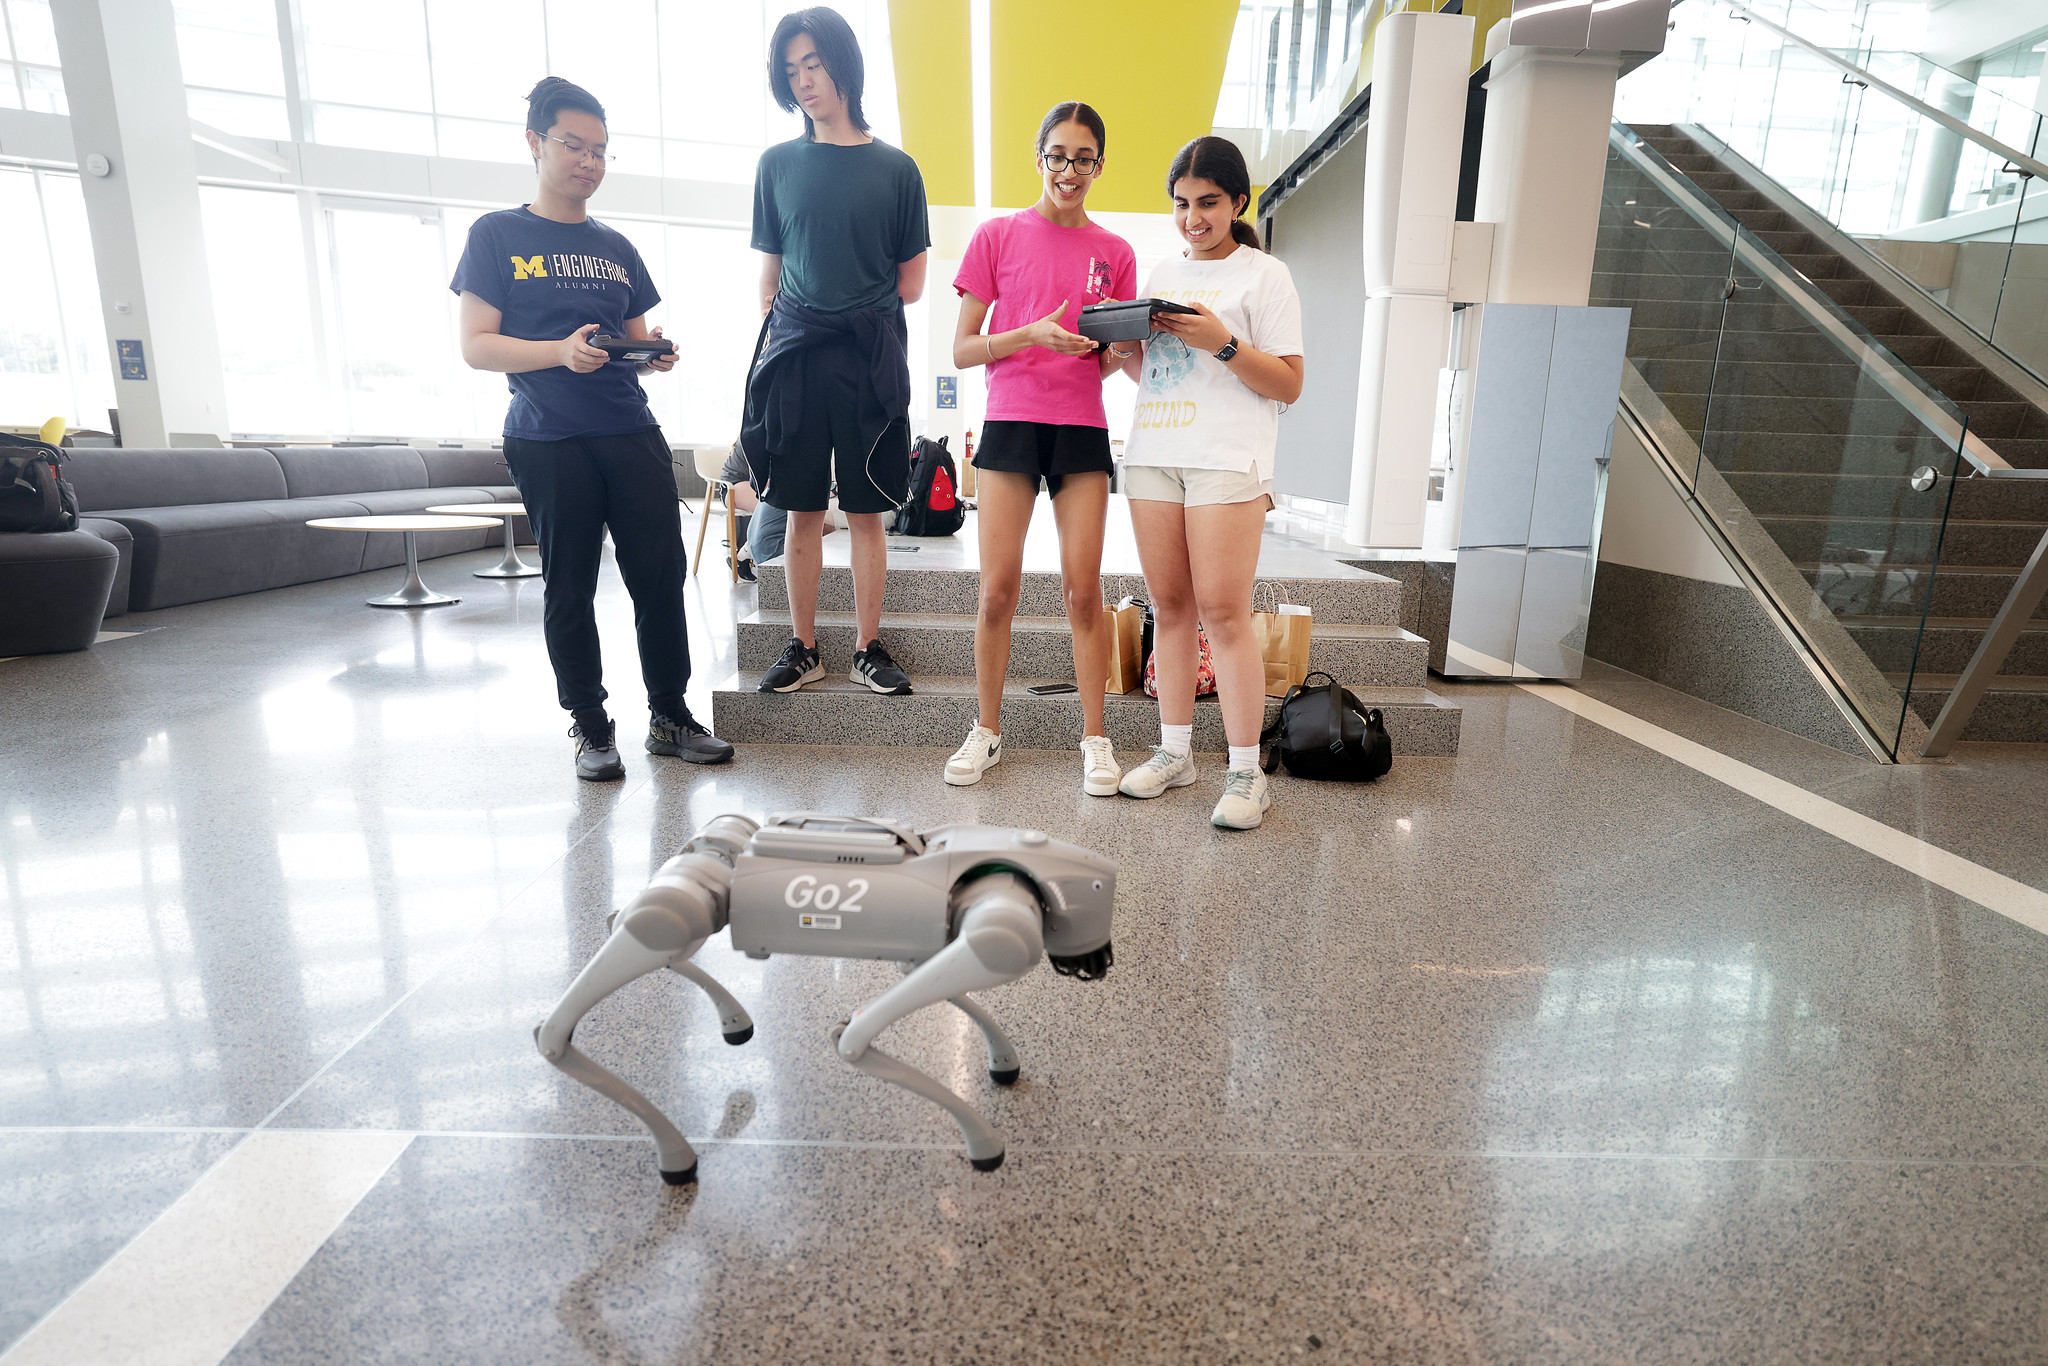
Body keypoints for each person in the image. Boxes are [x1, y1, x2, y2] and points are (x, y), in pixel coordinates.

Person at [452, 77, 732, 782]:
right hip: (547, 437)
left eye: (601, 151)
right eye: (575, 146)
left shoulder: (618, 247)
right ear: (536, 143)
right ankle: (591, 725)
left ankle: (669, 714)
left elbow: (634, 344)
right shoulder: (496, 234)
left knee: (660, 577)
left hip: (629, 430)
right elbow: (476, 345)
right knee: (569, 586)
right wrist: (556, 353)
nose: (589, 162)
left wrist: (655, 355)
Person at [942, 101, 1135, 796]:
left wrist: (1098, 354)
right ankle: (987, 730)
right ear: (1039, 158)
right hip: (1012, 424)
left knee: (1085, 593)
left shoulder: (1116, 253)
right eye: (1058, 155)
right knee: (998, 590)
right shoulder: (996, 236)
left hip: (1081, 427)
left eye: (1083, 158)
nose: (1070, 170)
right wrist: (1030, 335)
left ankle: (1095, 739)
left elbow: (1116, 355)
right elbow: (963, 349)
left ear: (1099, 166)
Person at [1113, 136, 1304, 830]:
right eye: (1182, 204)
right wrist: (1129, 351)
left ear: (1237, 203)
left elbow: (1288, 382)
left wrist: (1222, 341)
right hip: (1155, 451)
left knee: (1224, 613)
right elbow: (1153, 376)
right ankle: (1174, 753)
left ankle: (1247, 773)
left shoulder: (1266, 276)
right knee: (1170, 608)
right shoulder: (1163, 267)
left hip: (1227, 460)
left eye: (1208, 203)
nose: (1194, 217)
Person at [739, 7, 929, 696]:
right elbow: (768, 280)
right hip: (795, 356)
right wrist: (798, 327)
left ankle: (868, 647)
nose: (803, 81)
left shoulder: (896, 169)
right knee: (800, 511)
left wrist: (848, 314)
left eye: (812, 64)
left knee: (869, 510)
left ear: (843, 64)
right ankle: (804, 647)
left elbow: (912, 282)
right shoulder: (777, 165)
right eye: (791, 71)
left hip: (867, 356)